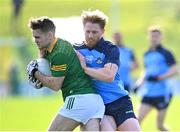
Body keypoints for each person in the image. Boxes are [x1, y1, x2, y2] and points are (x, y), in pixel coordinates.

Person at [26, 16, 105, 131]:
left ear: (49, 35)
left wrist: (35, 72)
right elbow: (45, 64)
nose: (35, 40)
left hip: (79, 99)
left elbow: (55, 85)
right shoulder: (54, 46)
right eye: (34, 37)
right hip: (94, 102)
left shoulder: (59, 53)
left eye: (37, 37)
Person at [74, 10, 140, 131]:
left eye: (94, 32)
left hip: (120, 101)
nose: (90, 35)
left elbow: (109, 76)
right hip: (99, 106)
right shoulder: (76, 50)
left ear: (103, 32)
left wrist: (85, 69)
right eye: (87, 31)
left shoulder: (110, 48)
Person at [134, 26, 178, 131]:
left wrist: (159, 77)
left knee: (160, 126)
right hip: (149, 93)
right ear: (149, 37)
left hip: (163, 94)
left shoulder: (166, 53)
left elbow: (175, 70)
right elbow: (146, 71)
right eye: (152, 36)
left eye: (156, 36)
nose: (154, 38)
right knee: (136, 121)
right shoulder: (147, 54)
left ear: (161, 37)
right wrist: (139, 83)